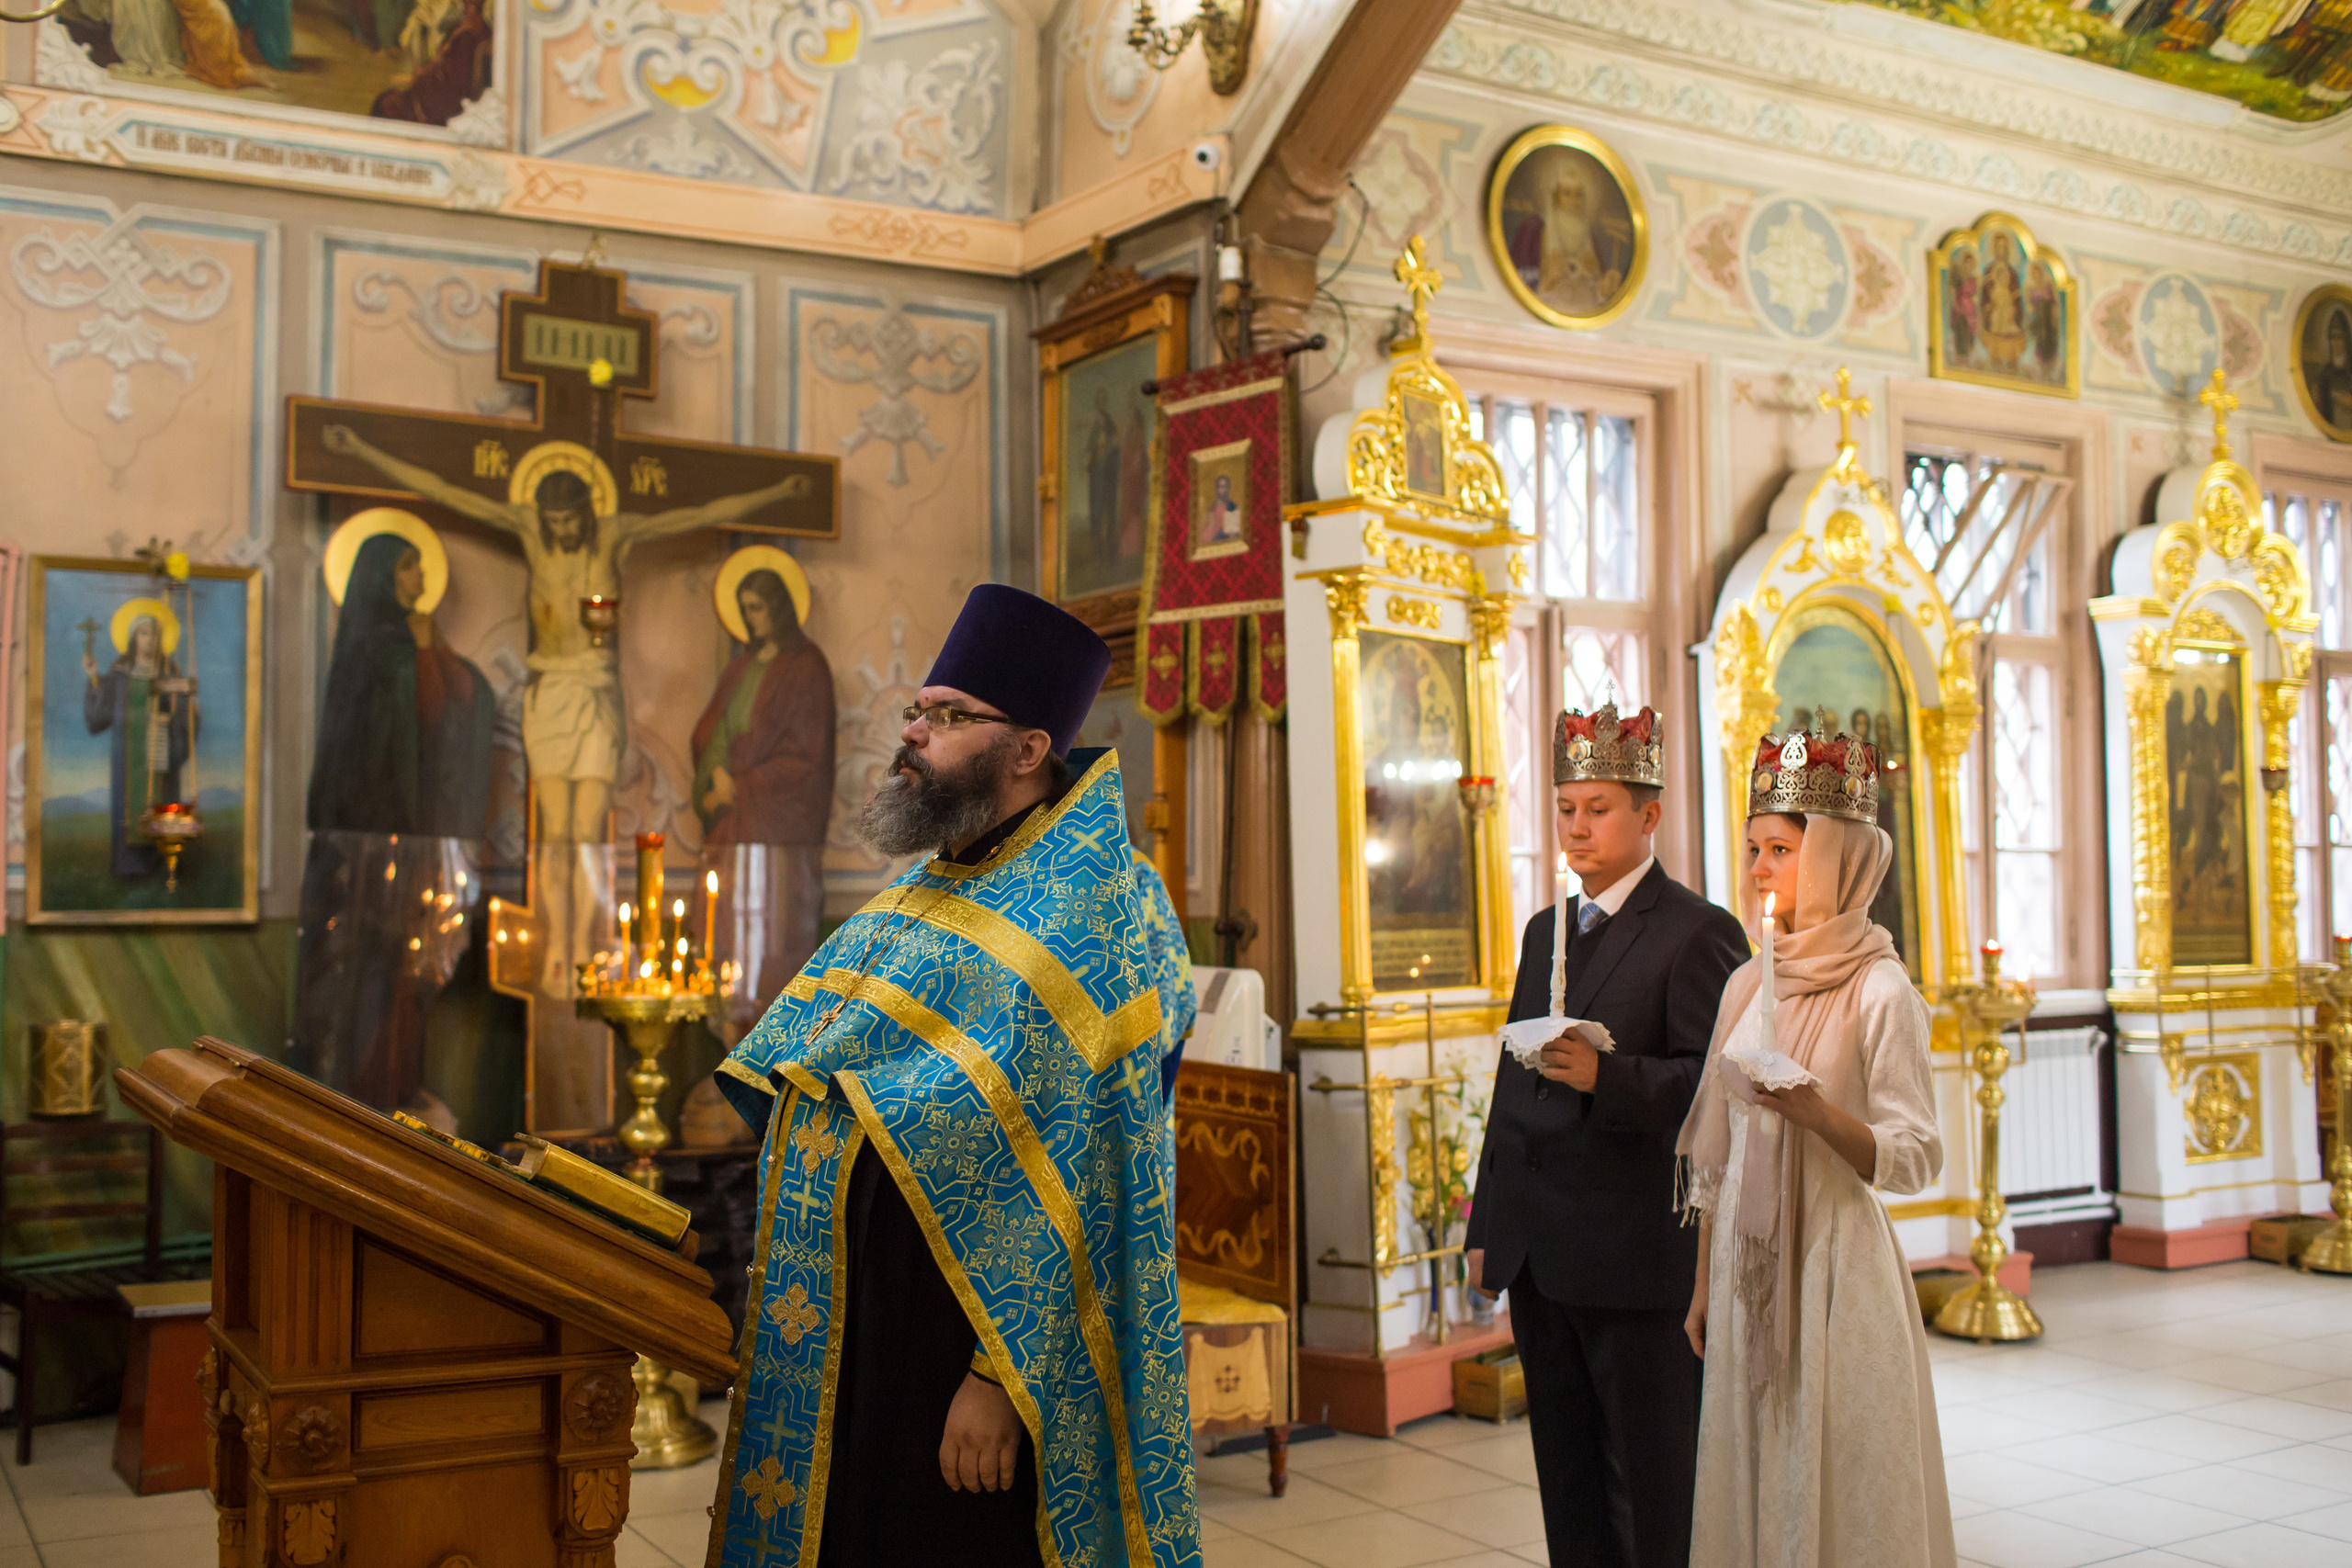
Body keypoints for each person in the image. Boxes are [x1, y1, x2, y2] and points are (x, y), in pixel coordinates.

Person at [706, 584, 1199, 1568]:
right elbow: (800, 1069)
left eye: (948, 716)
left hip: (961, 1352)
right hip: (849, 1332)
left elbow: (1093, 1187)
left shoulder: (1102, 914)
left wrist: (997, 1381)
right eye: (918, 711)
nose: (916, 734)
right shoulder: (929, 886)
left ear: (1026, 750)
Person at [319, 423, 811, 992]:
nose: (561, 532)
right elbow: (445, 491)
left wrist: (774, 495)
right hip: (549, 692)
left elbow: (696, 514)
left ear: (585, 512)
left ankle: (585, 945)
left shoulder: (614, 536)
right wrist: (361, 446)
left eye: (569, 522)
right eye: (553, 523)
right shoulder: (530, 531)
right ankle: (558, 945)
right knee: (553, 833)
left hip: (596, 693)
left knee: (588, 832)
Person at [1464, 703, 1747, 1568]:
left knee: (1651, 1480)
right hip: (1541, 1257)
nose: (1577, 828)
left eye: (1598, 808)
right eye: (1565, 809)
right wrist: (1487, 1228)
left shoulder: (1699, 931)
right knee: (1569, 1477)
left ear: (1649, 815)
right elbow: (1514, 1089)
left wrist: (1609, 1077)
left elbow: (1720, 1084)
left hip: (1634, 1258)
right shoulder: (1547, 929)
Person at [1678, 716, 1953, 1568]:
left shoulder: (1880, 988)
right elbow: (1714, 1163)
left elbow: (1914, 1152)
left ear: (1834, 855)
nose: (1758, 870)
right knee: (1748, 1462)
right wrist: (1701, 1286)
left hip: (1834, 1266)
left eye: (1779, 851)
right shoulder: (1745, 981)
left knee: (1835, 1478)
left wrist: (1817, 1114)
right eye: (1754, 849)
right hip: (1745, 1265)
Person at [293, 530, 494, 1116]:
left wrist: (432, 652)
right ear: (384, 576)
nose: (420, 579)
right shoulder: (376, 647)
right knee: (369, 974)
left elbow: (465, 701)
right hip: (372, 847)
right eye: (410, 569)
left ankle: (398, 1089)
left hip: (419, 843)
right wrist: (424, 653)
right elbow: (425, 711)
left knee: (409, 976)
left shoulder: (413, 641)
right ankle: (362, 1095)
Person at [692, 566, 837, 1039]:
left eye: (758, 607)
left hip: (779, 832)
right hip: (733, 825)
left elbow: (807, 756)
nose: (751, 619)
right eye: (745, 609)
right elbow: (710, 734)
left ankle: (765, 1060)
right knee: (725, 939)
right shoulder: (739, 668)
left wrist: (743, 784)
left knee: (772, 945)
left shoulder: (806, 666)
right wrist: (717, 771)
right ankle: (729, 1051)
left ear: (779, 606)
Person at [84, 612, 194, 880]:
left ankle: (162, 866)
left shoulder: (170, 673)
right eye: (143, 633)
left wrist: (169, 720)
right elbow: (100, 718)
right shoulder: (119, 675)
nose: (148, 640)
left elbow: (187, 713)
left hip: (160, 755)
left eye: (153, 634)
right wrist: (94, 678)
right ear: (133, 638)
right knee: (129, 808)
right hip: (128, 759)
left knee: (161, 803)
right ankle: (128, 867)